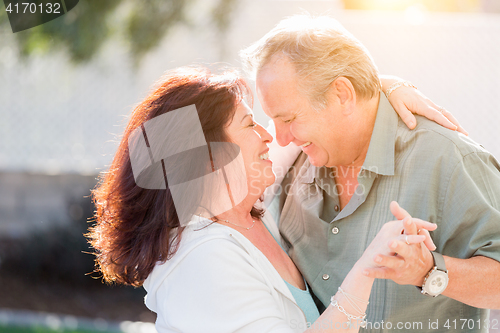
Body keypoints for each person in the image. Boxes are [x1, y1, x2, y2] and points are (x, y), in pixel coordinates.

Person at [86, 65, 451, 332]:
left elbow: (317, 121)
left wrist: (385, 88)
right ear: (209, 156)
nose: (268, 136)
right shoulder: (202, 258)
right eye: (249, 124)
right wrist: (368, 267)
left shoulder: (246, 211)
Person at [241, 14, 500, 332]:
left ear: (341, 94)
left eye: (289, 118)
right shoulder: (289, 160)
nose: (278, 138)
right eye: (273, 120)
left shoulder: (446, 158)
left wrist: (429, 271)